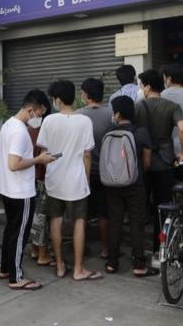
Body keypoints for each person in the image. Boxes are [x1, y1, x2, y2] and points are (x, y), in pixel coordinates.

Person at [38, 79, 102, 281]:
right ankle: (78, 269)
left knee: (55, 221)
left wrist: (52, 170)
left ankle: (59, 265)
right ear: (74, 97)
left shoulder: (48, 120)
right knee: (79, 222)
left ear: (57, 100)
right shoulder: (84, 121)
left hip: (54, 180)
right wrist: (86, 180)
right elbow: (87, 155)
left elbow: (44, 153)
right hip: (77, 181)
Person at [0, 90, 54, 290]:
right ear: (31, 109)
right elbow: (14, 164)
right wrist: (39, 159)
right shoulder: (20, 131)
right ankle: (16, 277)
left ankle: (6, 269)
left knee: (11, 231)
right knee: (19, 235)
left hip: (7, 189)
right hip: (21, 192)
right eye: (39, 114)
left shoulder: (8, 125)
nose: (39, 119)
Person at [134, 69, 183, 257]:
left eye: (141, 85)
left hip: (143, 163)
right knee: (163, 207)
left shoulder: (138, 107)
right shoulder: (172, 106)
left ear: (148, 87)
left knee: (140, 209)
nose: (140, 89)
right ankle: (160, 250)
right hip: (165, 162)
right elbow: (182, 129)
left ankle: (138, 253)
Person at [104, 96, 159, 277]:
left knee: (115, 222)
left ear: (117, 114)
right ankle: (139, 265)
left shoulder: (109, 132)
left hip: (112, 184)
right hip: (135, 184)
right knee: (137, 223)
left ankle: (112, 263)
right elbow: (147, 162)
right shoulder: (141, 132)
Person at [76, 78, 113, 259]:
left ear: (86, 94)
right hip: (106, 172)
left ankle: (81, 248)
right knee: (104, 212)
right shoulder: (112, 114)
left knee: (82, 212)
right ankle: (105, 249)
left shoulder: (76, 116)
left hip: (83, 172)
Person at [27, 94, 54, 266]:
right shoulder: (45, 128)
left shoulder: (24, 128)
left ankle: (35, 250)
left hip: (28, 179)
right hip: (42, 178)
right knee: (42, 217)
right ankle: (43, 254)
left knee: (33, 216)